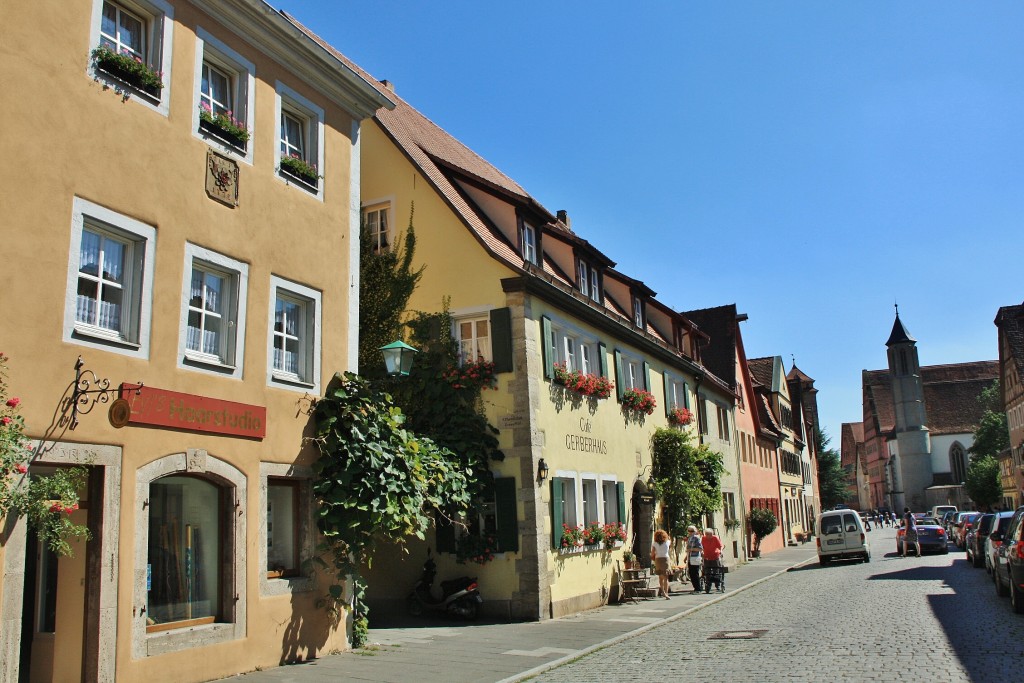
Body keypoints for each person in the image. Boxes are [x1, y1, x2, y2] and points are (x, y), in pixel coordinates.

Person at [650, 529, 672, 599]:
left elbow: (652, 553)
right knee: (666, 577)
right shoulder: (668, 542)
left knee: (660, 577)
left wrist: (652, 556)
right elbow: (669, 546)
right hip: (665, 559)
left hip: (658, 559)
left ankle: (663, 592)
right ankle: (666, 593)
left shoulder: (654, 544)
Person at [701, 527, 724, 593]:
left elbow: (720, 546)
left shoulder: (715, 538)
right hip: (706, 556)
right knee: (707, 571)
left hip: (715, 556)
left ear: (712, 534)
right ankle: (708, 585)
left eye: (709, 534)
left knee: (716, 571)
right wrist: (702, 551)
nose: (708, 536)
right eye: (706, 534)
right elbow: (701, 546)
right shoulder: (703, 538)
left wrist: (721, 551)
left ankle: (718, 585)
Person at [685, 525, 703, 593]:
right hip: (690, 557)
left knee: (695, 573)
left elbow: (700, 548)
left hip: (695, 557)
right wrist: (686, 557)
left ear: (695, 531)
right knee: (691, 573)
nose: (690, 532)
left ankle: (698, 589)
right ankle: (695, 588)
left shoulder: (696, 538)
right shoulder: (690, 538)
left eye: (692, 531)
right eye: (689, 531)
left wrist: (691, 549)